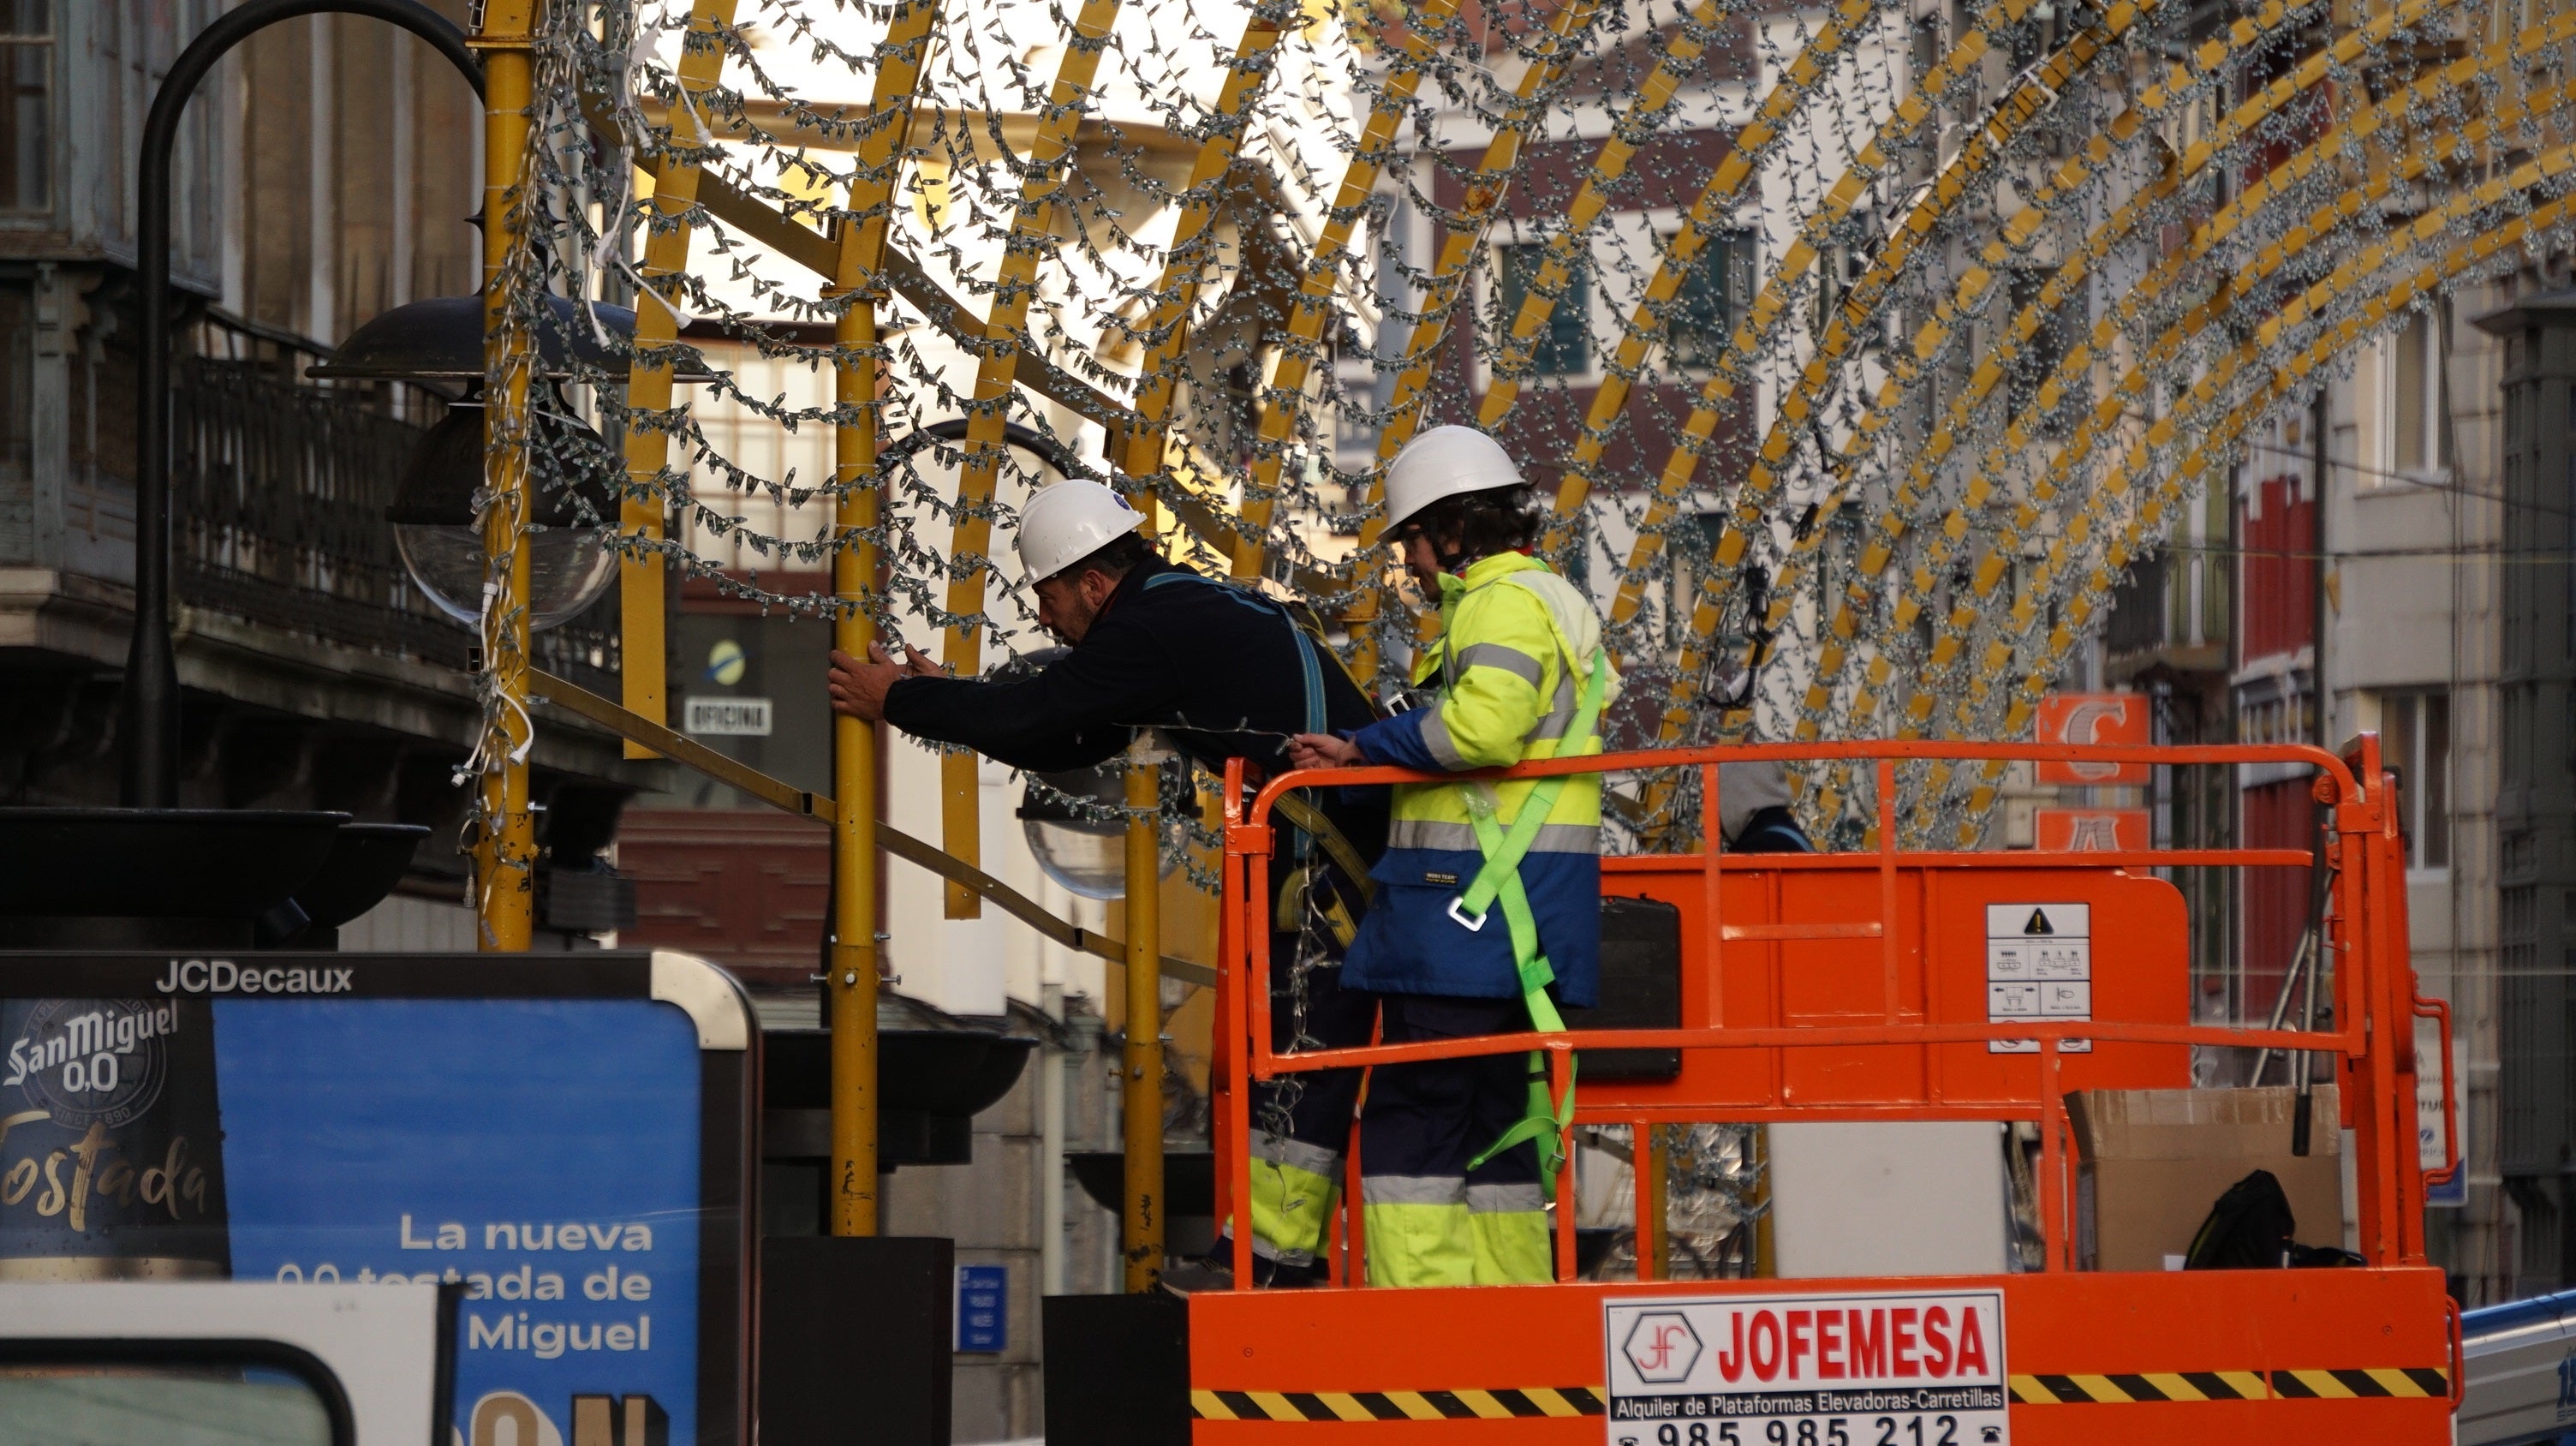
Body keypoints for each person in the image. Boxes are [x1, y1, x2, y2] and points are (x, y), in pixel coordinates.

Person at [826, 476, 1383, 1287]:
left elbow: (1046, 717)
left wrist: (904, 701)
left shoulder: (1156, 625)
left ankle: (1267, 1271)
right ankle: (1266, 1265)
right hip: (1339, 874)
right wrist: (941, 697)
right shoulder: (1184, 611)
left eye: (1047, 596)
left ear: (1093, 581)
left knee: (1298, 1072)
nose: (1044, 618)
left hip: (1330, 887)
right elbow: (1076, 734)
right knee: (1295, 1069)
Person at [1284, 425, 1618, 1287]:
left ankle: (1419, 1315)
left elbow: (1481, 726)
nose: (1414, 567)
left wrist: (1363, 749)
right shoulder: (1553, 599)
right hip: (1518, 924)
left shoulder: (1500, 603)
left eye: (1413, 544)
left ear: (1454, 529)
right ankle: (1508, 1308)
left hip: (1459, 919)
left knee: (1413, 1119)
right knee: (1494, 1123)